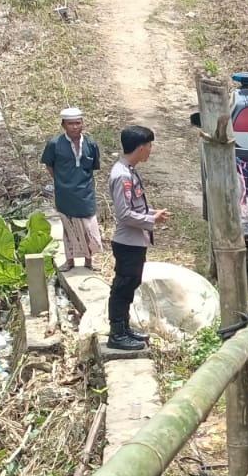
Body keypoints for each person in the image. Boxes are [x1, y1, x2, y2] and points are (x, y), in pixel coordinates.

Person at [107, 126, 169, 352]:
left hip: (135, 241)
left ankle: (124, 328)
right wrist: (151, 220)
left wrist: (152, 213)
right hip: (127, 242)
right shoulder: (122, 175)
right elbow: (124, 214)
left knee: (131, 284)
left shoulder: (129, 171)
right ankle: (116, 333)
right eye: (150, 146)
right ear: (141, 147)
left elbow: (135, 206)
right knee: (123, 286)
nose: (150, 151)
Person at [41, 107, 103, 270]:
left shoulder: (91, 144)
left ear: (82, 123)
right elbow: (49, 164)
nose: (75, 127)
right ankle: (70, 261)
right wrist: (60, 181)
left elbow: (93, 166)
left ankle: (90, 261)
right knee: (69, 228)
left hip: (85, 193)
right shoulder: (54, 144)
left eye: (78, 123)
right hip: (65, 194)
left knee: (89, 228)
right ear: (63, 125)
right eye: (71, 124)